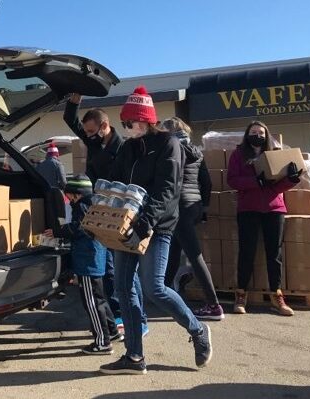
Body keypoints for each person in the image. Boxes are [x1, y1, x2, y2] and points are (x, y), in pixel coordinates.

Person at [100, 86, 212, 375]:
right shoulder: (128, 147)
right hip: (127, 226)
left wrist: (145, 222)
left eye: (130, 123)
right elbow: (115, 181)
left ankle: (198, 330)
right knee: (124, 288)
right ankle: (134, 357)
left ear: (146, 120)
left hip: (157, 226)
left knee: (155, 288)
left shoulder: (168, 145)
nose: (126, 128)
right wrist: (100, 213)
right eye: (123, 124)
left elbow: (167, 191)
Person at [64, 93, 148, 336]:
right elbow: (71, 119)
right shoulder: (93, 141)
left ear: (104, 126)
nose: (87, 135)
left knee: (125, 268)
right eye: (87, 132)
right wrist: (75, 99)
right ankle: (116, 316)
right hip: (99, 209)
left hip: (120, 211)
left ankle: (139, 319)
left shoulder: (124, 147)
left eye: (92, 131)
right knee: (109, 268)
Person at [227, 121, 303, 316]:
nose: (257, 135)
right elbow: (232, 180)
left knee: (274, 254)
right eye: (253, 132)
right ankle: (241, 294)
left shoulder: (276, 154)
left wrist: (291, 179)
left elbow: (277, 186)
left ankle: (277, 296)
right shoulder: (238, 154)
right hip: (248, 208)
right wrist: (256, 182)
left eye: (261, 132)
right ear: (247, 134)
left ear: (266, 135)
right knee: (247, 251)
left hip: (274, 208)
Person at [44, 175, 123, 354]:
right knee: (100, 299)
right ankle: (111, 331)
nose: (69, 200)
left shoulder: (81, 206)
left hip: (87, 262)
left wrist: (57, 231)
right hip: (97, 258)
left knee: (91, 303)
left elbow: (79, 228)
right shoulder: (93, 203)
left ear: (75, 194)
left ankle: (102, 342)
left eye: (69, 196)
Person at [161, 117, 224, 321]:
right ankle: (164, 293)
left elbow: (168, 180)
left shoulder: (171, 149)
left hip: (179, 206)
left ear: (169, 132)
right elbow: (206, 182)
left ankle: (214, 305)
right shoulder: (196, 151)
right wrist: (203, 208)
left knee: (195, 256)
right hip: (194, 206)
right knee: (173, 250)